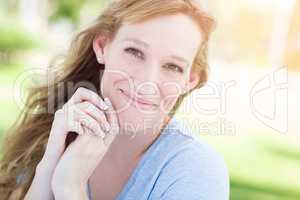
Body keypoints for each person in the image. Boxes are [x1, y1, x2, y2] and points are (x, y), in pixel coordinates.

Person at [0, 0, 229, 199]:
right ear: (102, 47)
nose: (146, 81)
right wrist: (49, 165)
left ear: (189, 81)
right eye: (135, 52)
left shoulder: (196, 171)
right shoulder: (58, 132)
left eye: (172, 66)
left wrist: (70, 189)